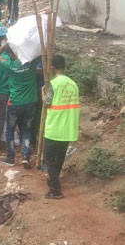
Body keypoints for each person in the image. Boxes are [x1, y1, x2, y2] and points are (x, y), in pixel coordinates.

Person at [0, 44, 39, 168]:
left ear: (12, 54)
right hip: (30, 103)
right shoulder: (30, 63)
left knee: (10, 130)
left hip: (14, 104)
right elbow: (39, 52)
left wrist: (6, 44)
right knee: (27, 130)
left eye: (10, 54)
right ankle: (25, 156)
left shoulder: (10, 66)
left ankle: (10, 157)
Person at [42, 55, 80, 199]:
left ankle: (56, 190)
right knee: (59, 158)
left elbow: (47, 102)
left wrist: (42, 93)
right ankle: (53, 180)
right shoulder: (73, 84)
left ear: (52, 68)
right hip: (68, 129)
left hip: (55, 128)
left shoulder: (53, 84)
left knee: (50, 158)